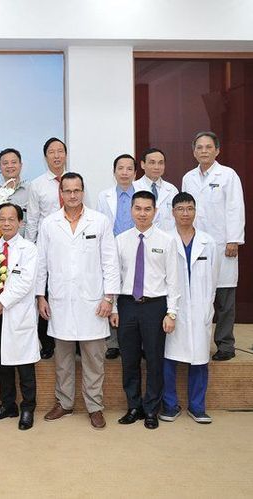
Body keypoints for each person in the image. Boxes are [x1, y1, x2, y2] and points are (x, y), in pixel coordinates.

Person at [36, 172, 120, 430]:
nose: (72, 195)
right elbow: (41, 263)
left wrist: (109, 298)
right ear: (61, 193)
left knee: (94, 359)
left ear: (83, 192)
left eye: (77, 190)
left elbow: (110, 263)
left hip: (93, 303)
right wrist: (40, 296)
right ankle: (64, 403)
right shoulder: (49, 223)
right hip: (60, 302)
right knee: (63, 361)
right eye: (68, 191)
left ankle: (95, 407)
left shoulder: (100, 221)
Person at [111, 190, 180, 430]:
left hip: (155, 306)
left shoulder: (166, 240)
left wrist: (171, 313)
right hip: (127, 305)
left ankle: (151, 409)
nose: (142, 213)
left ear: (155, 211)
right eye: (138, 208)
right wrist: (114, 308)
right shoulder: (120, 240)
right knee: (129, 360)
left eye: (147, 209)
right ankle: (134, 407)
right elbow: (115, 277)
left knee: (154, 360)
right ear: (131, 210)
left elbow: (173, 280)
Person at [181, 131, 245, 361]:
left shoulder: (228, 175)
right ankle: (196, 344)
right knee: (198, 297)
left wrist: (233, 239)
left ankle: (226, 345)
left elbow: (235, 207)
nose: (204, 151)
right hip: (196, 245)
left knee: (225, 298)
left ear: (217, 150)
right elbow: (185, 211)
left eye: (208, 147)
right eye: (199, 147)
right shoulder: (188, 178)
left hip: (222, 245)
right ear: (194, 151)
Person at [160, 192, 219, 424]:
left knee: (200, 358)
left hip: (200, 308)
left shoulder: (208, 242)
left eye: (190, 208)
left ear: (195, 211)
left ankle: (197, 407)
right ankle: (170, 405)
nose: (185, 213)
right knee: (169, 358)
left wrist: (207, 307)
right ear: (172, 212)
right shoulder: (164, 239)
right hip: (172, 309)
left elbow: (213, 279)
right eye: (180, 209)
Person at [0, 203, 39, 430]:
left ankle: (27, 408)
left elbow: (25, 282)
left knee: (24, 366)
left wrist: (2, 302)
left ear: (20, 222)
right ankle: (7, 405)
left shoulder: (29, 249)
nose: (6, 223)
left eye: (11, 219)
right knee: (1, 364)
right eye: (2, 219)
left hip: (17, 314)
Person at [25, 137, 69, 359]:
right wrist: (29, 248)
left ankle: (73, 340)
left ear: (66, 155)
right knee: (45, 293)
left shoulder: (74, 180)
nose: (56, 155)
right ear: (45, 157)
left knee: (70, 291)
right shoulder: (37, 184)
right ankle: (47, 342)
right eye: (52, 152)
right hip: (47, 247)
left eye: (60, 151)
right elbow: (32, 219)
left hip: (72, 246)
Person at [96, 154, 137, 360]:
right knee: (111, 292)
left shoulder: (143, 195)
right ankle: (113, 343)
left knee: (134, 294)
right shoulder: (104, 196)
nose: (124, 173)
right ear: (114, 172)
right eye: (120, 168)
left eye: (129, 169)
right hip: (112, 249)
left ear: (135, 173)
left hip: (137, 248)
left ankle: (135, 342)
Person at [133, 148, 179, 232]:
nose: (156, 167)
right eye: (152, 162)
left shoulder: (172, 189)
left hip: (167, 237)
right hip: (141, 235)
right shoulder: (133, 188)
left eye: (160, 163)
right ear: (143, 164)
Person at [0, 148, 29, 236]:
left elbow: (34, 221)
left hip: (25, 242)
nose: (9, 166)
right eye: (5, 163)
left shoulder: (31, 191)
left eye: (13, 162)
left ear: (20, 165)